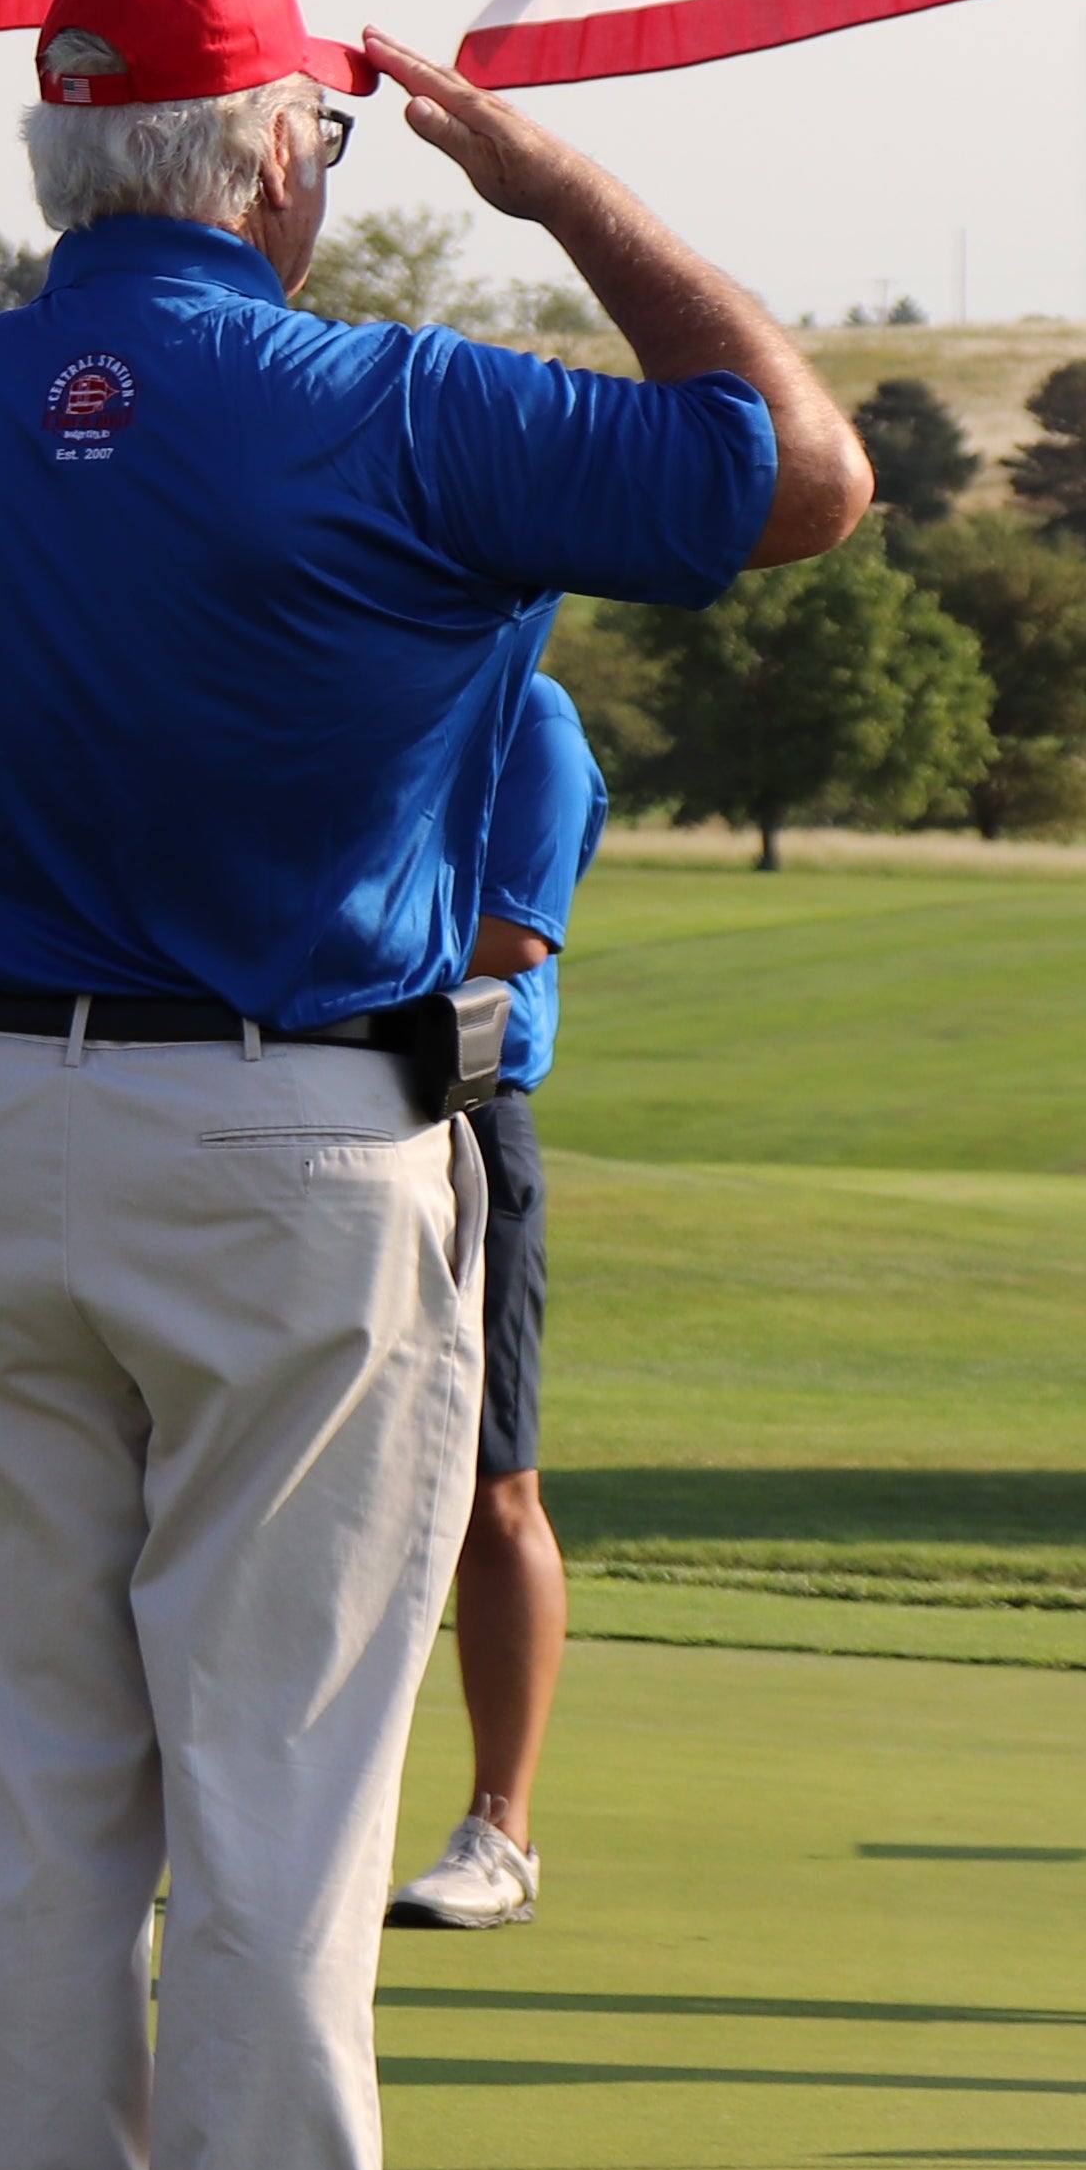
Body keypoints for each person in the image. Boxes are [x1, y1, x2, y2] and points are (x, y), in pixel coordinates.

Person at [0, 0, 861, 2170]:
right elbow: (798, 469)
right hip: (297, 1151)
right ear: (274, 156)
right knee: (282, 1820)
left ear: (57, 151)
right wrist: (535, 161)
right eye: (323, 137)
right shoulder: (399, 400)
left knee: (40, 1842)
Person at [395, 664, 605, 1934]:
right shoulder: (352, 680)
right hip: (307, 1115)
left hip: (465, 1119)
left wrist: (288, 940)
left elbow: (512, 931)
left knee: (491, 1481)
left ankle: (502, 1826)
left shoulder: (534, 716)